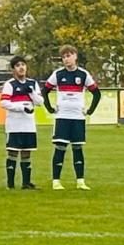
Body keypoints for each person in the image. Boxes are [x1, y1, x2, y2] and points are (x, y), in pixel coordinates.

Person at [42, 45, 101, 191]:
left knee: (77, 148)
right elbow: (45, 91)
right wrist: (50, 108)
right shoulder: (57, 74)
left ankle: (80, 181)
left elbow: (97, 93)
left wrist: (90, 110)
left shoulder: (83, 74)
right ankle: (56, 181)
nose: (66, 59)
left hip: (78, 118)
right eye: (63, 57)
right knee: (60, 148)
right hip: (62, 117)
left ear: (75, 56)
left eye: (69, 56)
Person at [0, 55, 41, 190]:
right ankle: (10, 184)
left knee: (27, 152)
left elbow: (40, 102)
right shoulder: (10, 84)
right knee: (13, 152)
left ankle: (26, 183)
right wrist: (21, 107)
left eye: (23, 65)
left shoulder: (32, 83)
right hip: (14, 125)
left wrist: (32, 94)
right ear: (13, 69)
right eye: (18, 65)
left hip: (28, 124)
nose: (21, 67)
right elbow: (4, 102)